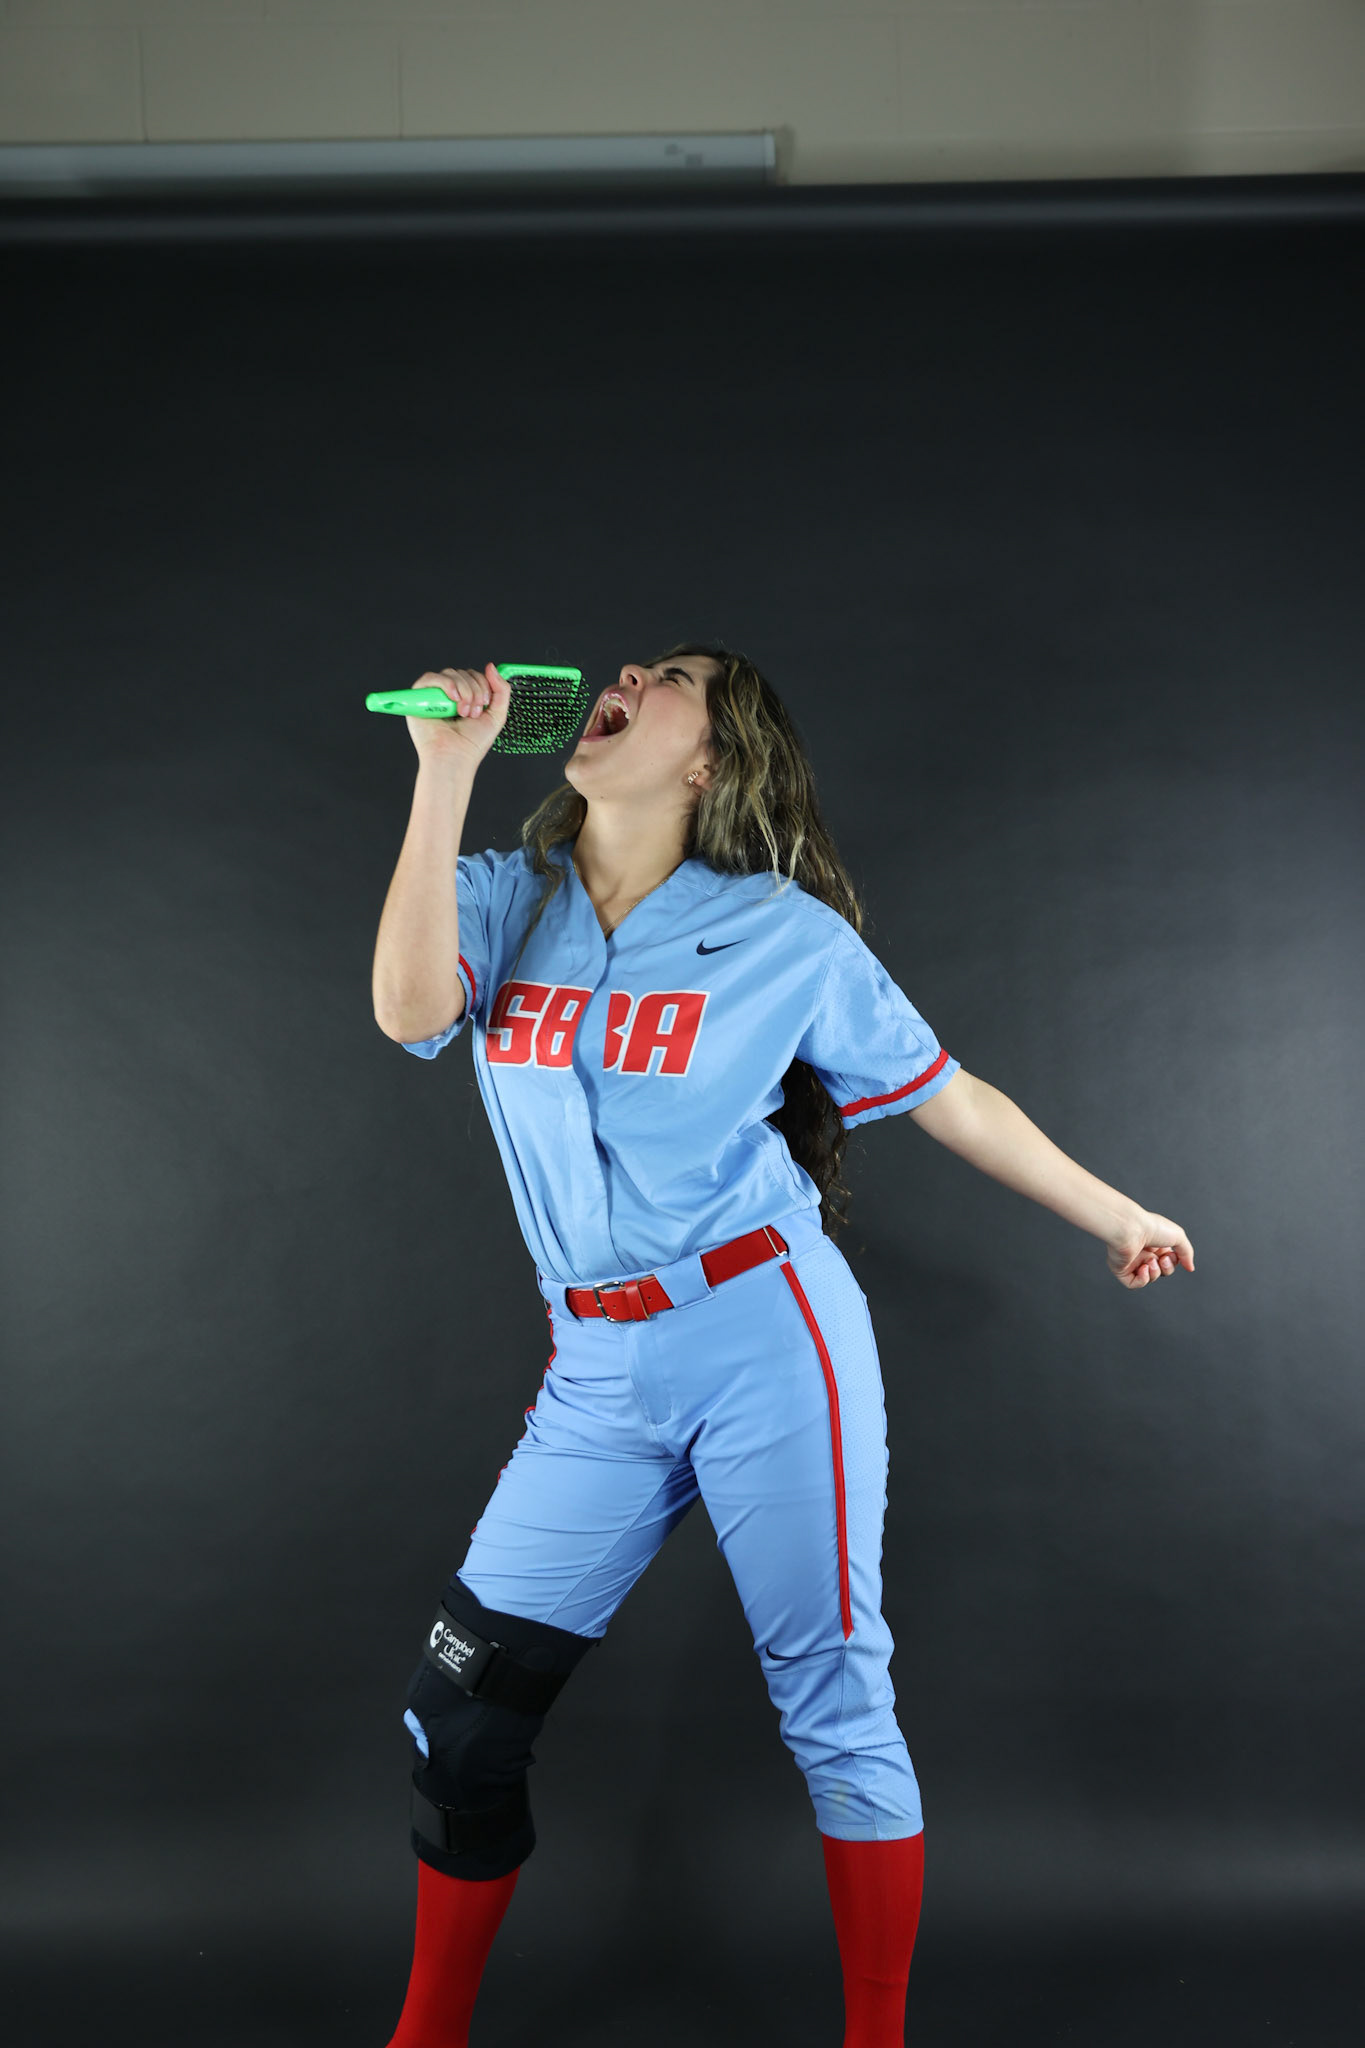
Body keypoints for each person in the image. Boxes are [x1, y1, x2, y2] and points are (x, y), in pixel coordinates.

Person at [370, 644, 1194, 2047]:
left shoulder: (783, 934)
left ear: (707, 758)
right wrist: (445, 773)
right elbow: (408, 1014)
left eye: (669, 675)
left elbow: (950, 1094)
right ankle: (425, 2036)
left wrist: (1118, 1212)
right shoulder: (507, 901)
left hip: (765, 1333)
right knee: (460, 1708)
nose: (625, 670)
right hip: (596, 1369)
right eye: (630, 663)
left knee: (829, 1693)